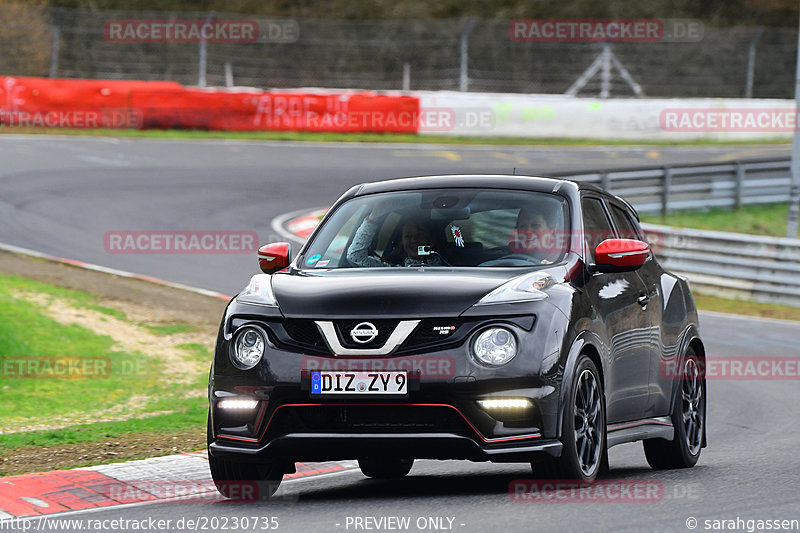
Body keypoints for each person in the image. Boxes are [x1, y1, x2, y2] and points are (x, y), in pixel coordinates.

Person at [347, 202, 445, 267]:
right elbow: (355, 256)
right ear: (402, 243)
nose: (413, 240)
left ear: (432, 240)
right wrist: (374, 217)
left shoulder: (453, 268)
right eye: (408, 236)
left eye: (419, 235)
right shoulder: (393, 272)